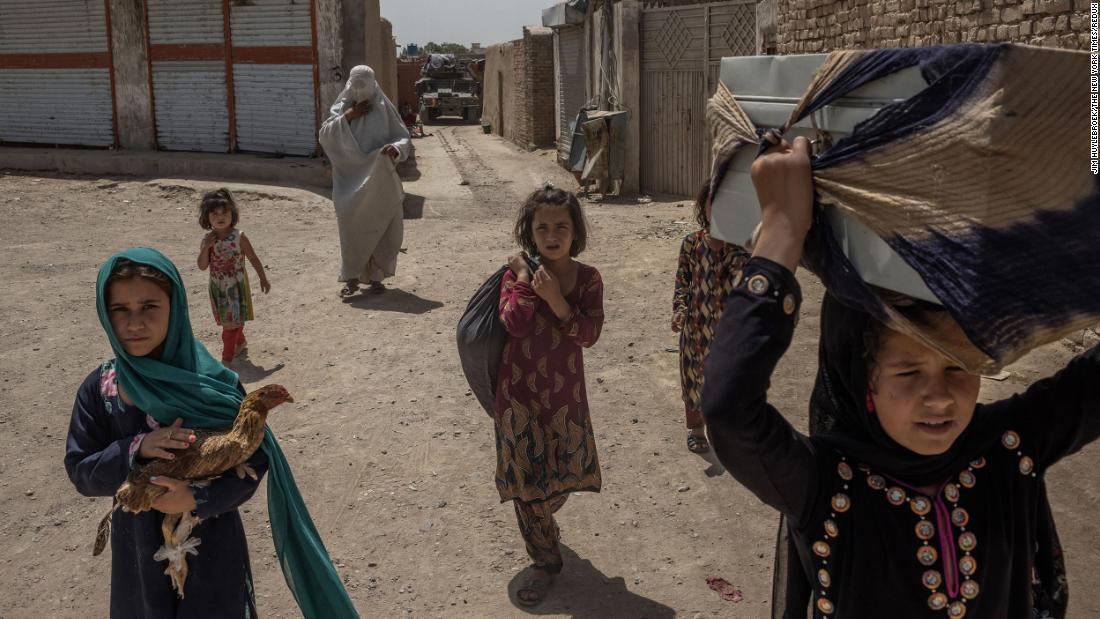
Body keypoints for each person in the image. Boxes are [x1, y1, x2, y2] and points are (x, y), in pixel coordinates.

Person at [702, 136, 1094, 617]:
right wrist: (782, 231)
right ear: (861, 379)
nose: (940, 398)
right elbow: (727, 409)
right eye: (908, 372)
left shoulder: (1009, 447)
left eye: (959, 366)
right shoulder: (825, 486)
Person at [65, 250, 268, 616]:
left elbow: (253, 458)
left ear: (175, 307)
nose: (134, 322)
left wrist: (196, 499)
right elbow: (81, 471)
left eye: (149, 306)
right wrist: (135, 448)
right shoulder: (102, 390)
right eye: (119, 309)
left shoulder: (215, 385)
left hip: (213, 544)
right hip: (139, 553)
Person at [495, 185, 604, 606]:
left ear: (575, 231)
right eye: (543, 227)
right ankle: (545, 561)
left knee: (559, 481)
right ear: (530, 231)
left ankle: (545, 518)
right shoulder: (515, 276)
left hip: (563, 401)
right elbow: (515, 324)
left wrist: (558, 301)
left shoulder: (589, 278)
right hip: (517, 397)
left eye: (562, 226)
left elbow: (589, 335)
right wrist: (523, 279)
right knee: (527, 487)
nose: (552, 234)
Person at [318, 65, 411, 298]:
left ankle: (376, 277)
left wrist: (395, 149)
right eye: (356, 86)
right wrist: (349, 116)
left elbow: (402, 137)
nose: (360, 91)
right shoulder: (342, 106)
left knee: (381, 229)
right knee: (352, 231)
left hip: (379, 180)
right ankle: (351, 278)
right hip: (349, 183)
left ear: (373, 84)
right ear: (350, 85)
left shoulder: (384, 108)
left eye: (364, 86)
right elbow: (325, 135)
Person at [672, 181, 749, 453]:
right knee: (692, 378)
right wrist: (680, 310)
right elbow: (682, 281)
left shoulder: (738, 250)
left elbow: (745, 280)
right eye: (713, 202)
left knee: (727, 380)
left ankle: (724, 430)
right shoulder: (691, 243)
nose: (720, 210)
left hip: (726, 331)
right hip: (694, 327)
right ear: (703, 205)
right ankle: (696, 430)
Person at [196, 188, 270, 363]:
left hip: (236, 288)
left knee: (230, 326)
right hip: (218, 289)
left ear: (232, 214)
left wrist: (263, 278)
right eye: (214, 213)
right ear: (207, 217)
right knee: (231, 322)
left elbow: (252, 257)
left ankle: (226, 360)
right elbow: (202, 266)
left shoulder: (239, 237)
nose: (220, 217)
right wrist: (206, 247)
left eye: (224, 212)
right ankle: (240, 342)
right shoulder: (208, 240)